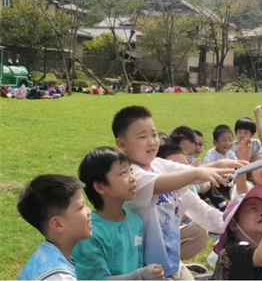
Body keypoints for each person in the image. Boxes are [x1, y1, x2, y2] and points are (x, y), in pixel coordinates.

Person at [112, 106, 239, 280]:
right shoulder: (129, 175)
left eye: (154, 134)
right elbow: (166, 181)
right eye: (142, 137)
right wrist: (197, 173)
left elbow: (187, 172)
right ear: (121, 145)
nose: (152, 141)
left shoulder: (159, 164)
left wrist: (221, 164)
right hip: (145, 270)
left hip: (171, 262)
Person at [73, 147, 164, 280]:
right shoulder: (89, 232)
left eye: (131, 170)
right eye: (123, 173)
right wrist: (140, 276)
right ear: (100, 187)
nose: (133, 178)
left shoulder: (135, 221)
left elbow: (138, 264)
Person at [156, 144, 222, 263]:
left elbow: (209, 216)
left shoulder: (184, 192)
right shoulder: (149, 191)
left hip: (164, 251)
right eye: (176, 168)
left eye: (185, 166)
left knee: (198, 232)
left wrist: (239, 223)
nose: (183, 173)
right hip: (140, 252)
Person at [17, 175, 91, 280]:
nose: (89, 211)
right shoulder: (58, 277)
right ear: (58, 224)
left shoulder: (48, 255)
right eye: (81, 207)